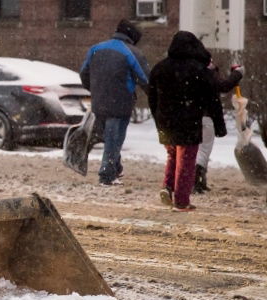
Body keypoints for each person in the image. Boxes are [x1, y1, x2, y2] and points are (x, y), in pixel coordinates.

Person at [148, 31, 223, 212]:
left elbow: (152, 98)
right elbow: (213, 97)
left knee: (173, 155)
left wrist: (158, 120)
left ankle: (167, 186)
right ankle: (181, 201)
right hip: (189, 121)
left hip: (166, 122)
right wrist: (219, 125)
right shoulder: (198, 70)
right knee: (187, 159)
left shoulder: (160, 68)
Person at [79, 19, 150, 186]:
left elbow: (83, 73)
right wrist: (155, 97)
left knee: (110, 137)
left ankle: (115, 168)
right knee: (114, 138)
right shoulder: (132, 52)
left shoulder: (95, 49)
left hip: (99, 101)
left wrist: (94, 90)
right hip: (121, 102)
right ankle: (107, 174)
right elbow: (145, 79)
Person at [194, 56, 244, 193]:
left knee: (193, 149)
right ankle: (197, 179)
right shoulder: (207, 73)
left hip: (189, 116)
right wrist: (238, 74)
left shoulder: (187, 70)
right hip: (206, 116)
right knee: (204, 149)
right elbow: (224, 86)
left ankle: (195, 179)